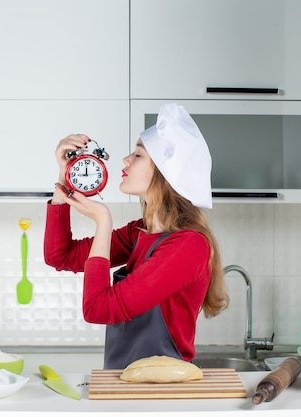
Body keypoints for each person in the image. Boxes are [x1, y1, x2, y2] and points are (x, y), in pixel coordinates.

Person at [44, 103, 229, 369]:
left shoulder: (188, 245)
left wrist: (103, 222)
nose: (126, 160)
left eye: (138, 155)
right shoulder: (141, 232)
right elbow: (60, 256)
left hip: (160, 390)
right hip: (122, 380)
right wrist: (65, 178)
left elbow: (98, 308)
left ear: (166, 174)